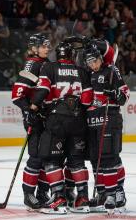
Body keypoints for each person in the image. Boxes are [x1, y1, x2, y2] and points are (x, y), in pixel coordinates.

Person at [30, 41, 93, 214]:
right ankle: (82, 200)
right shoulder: (82, 72)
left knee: (51, 159)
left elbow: (42, 90)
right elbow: (87, 101)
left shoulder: (49, 68)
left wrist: (33, 108)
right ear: (72, 56)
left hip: (57, 120)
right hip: (78, 120)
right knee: (77, 161)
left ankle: (58, 199)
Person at [83, 44, 130, 213]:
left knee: (111, 157)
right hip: (93, 120)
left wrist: (114, 94)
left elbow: (124, 96)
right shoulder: (88, 74)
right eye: (89, 62)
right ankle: (103, 192)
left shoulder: (111, 71)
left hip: (110, 117)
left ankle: (117, 191)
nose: (92, 65)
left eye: (94, 61)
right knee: (96, 159)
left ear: (100, 58)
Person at [11, 33, 51, 211]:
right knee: (35, 158)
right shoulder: (33, 64)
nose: (47, 48)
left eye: (48, 45)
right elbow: (17, 95)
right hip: (35, 119)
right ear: (34, 48)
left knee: (47, 158)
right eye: (43, 45)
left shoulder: (45, 64)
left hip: (48, 118)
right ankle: (29, 195)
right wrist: (28, 112)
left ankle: (43, 193)